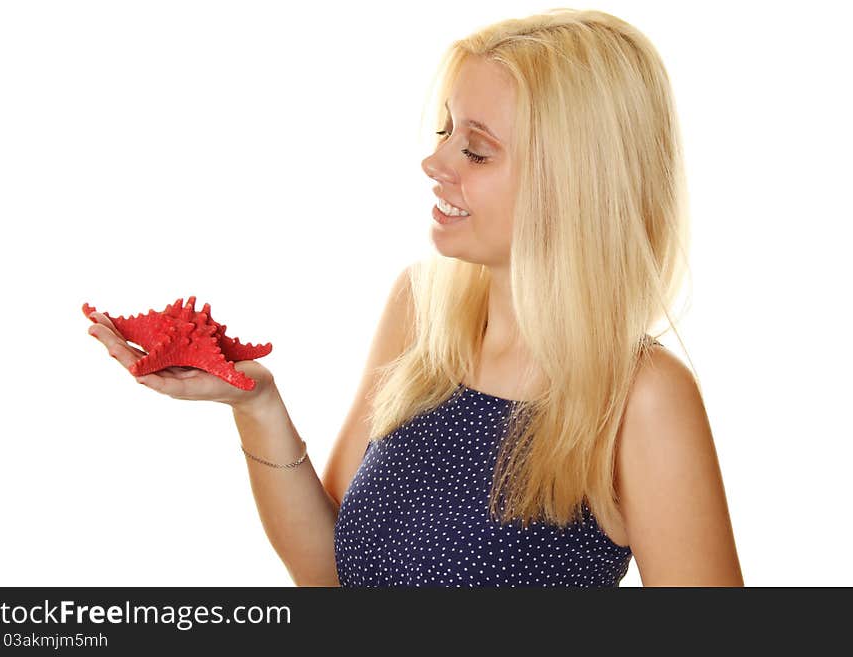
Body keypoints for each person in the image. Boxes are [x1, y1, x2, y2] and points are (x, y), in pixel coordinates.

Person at [87, 8, 743, 586]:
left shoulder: (642, 396)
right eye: (446, 130)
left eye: (477, 151)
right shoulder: (421, 311)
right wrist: (257, 403)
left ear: (573, 184)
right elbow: (329, 576)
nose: (436, 163)